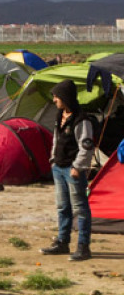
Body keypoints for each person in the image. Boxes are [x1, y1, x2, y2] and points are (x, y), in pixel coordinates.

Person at [41, 80, 95, 261]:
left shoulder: (82, 120)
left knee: (80, 208)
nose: (54, 99)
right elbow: (56, 139)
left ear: (65, 97)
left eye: (57, 96)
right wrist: (53, 159)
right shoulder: (59, 115)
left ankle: (83, 247)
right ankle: (62, 242)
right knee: (63, 207)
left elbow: (86, 146)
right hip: (59, 167)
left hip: (73, 171)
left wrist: (78, 167)